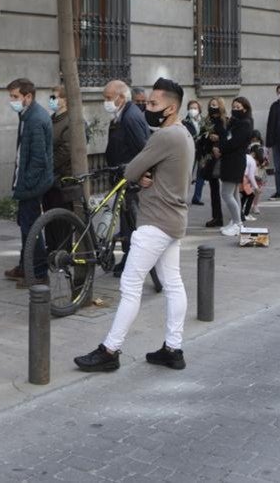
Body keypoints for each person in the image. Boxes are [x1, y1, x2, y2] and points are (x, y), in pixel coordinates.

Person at [74, 78, 193, 373]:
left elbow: (131, 170)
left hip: (155, 221)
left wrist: (139, 176)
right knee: (173, 283)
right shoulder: (184, 134)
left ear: (172, 107)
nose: (146, 109)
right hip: (174, 219)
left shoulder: (164, 137)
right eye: (146, 103)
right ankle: (173, 349)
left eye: (153, 104)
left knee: (130, 285)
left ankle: (110, 350)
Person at [3, 78, 55, 286]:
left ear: (28, 96)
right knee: (27, 226)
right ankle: (26, 267)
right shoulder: (27, 115)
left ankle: (39, 273)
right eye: (11, 96)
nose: (11, 101)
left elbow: (38, 159)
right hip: (28, 182)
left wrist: (27, 183)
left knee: (31, 228)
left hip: (33, 184)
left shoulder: (35, 119)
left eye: (15, 96)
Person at [103, 79, 151, 276]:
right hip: (123, 178)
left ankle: (132, 262)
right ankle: (127, 259)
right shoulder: (121, 114)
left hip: (131, 180)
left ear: (121, 97)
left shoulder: (130, 117)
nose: (105, 102)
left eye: (108, 98)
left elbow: (143, 150)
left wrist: (139, 176)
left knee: (131, 224)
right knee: (125, 223)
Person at [216, 97, 254, 237]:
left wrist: (221, 147)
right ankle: (236, 221)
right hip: (230, 160)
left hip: (235, 161)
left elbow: (234, 142)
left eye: (238, 107)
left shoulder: (245, 123)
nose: (235, 110)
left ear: (245, 108)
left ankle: (237, 223)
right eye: (234, 107)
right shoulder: (236, 122)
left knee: (226, 193)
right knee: (233, 193)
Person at [43, 86, 74, 214]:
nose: (51, 100)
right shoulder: (52, 119)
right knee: (48, 216)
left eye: (54, 97)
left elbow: (66, 150)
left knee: (60, 217)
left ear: (65, 100)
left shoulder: (70, 121)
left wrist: (48, 165)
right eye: (51, 97)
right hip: (50, 178)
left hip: (61, 179)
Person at [198, 98, 226, 226]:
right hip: (210, 158)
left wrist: (219, 139)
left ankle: (239, 215)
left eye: (215, 105)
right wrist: (208, 137)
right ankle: (217, 217)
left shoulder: (225, 120)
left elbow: (229, 137)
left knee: (231, 190)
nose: (212, 107)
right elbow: (201, 139)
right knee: (214, 189)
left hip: (223, 157)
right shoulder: (206, 121)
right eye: (210, 105)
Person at [184, 99, 205, 205]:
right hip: (190, 151)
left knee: (201, 175)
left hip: (201, 151)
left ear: (199, 109)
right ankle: (183, 197)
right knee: (187, 174)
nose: (193, 110)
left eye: (195, 108)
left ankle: (197, 197)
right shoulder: (185, 122)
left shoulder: (204, 122)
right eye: (191, 108)